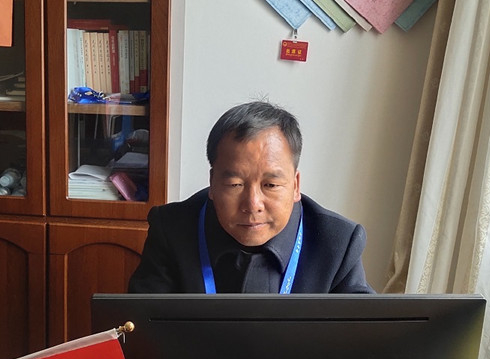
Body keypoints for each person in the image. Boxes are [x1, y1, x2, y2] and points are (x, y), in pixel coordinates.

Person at [128, 101, 374, 294]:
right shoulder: (171, 229)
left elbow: (361, 334)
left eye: (271, 185)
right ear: (212, 182)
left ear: (295, 185)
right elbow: (142, 325)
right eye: (235, 184)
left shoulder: (338, 243)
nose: (252, 204)